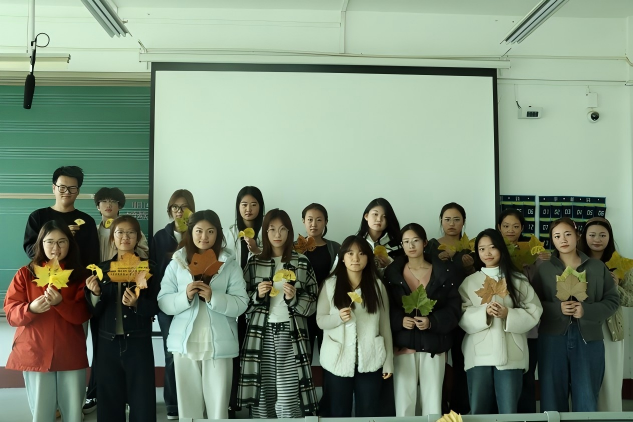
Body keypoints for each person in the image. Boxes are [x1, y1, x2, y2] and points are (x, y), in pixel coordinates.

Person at [158, 210, 249, 419]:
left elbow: (241, 303)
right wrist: (185, 296)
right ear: (190, 232)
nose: (204, 236)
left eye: (210, 231)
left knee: (218, 410)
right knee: (188, 409)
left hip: (219, 345)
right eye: (199, 231)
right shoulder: (177, 263)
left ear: (218, 233)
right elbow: (163, 301)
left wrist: (213, 297)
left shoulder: (229, 264)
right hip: (185, 345)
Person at [4, 221, 90, 422]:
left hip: (69, 351)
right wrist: (30, 309)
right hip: (35, 351)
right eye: (50, 242)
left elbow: (84, 314)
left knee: (74, 413)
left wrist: (61, 303)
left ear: (70, 244)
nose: (55, 248)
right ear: (40, 244)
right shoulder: (26, 273)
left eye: (62, 242)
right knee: (42, 414)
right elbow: (11, 313)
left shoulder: (81, 276)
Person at [238, 209, 319, 418]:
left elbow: (314, 302)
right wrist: (257, 295)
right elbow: (240, 302)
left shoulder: (301, 262)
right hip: (260, 334)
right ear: (264, 232)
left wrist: (294, 299)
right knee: (263, 396)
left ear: (289, 232)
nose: (277, 234)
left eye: (283, 229)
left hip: (291, 334)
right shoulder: (254, 262)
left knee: (287, 396)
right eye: (272, 229)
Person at [534, 217, 619, 412]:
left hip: (589, 339)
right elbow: (533, 304)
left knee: (587, 398)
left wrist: (586, 310)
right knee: (552, 397)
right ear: (552, 240)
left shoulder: (597, 267)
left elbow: (612, 301)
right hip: (552, 339)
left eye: (567, 234)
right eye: (557, 236)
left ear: (577, 236)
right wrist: (557, 309)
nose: (563, 240)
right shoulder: (544, 269)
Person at [459, 229, 542, 414]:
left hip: (512, 355)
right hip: (478, 355)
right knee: (478, 412)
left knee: (509, 411)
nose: (487, 253)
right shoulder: (470, 282)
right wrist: (484, 313)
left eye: (492, 247)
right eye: (482, 249)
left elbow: (535, 310)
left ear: (501, 249)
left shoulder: (517, 280)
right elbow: (461, 315)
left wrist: (508, 314)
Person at [84, 215, 159, 422]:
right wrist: (95, 293)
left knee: (142, 401)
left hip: (138, 342)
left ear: (138, 237)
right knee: (109, 401)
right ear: (112, 238)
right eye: (120, 232)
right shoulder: (101, 269)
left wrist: (137, 304)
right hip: (107, 343)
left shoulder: (149, 268)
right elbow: (92, 311)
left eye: (131, 232)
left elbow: (158, 305)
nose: (125, 237)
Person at [385, 223, 460, 416]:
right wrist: (399, 320)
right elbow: (385, 307)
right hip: (403, 345)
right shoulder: (392, 273)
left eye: (415, 240)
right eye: (406, 242)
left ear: (425, 243)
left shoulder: (443, 272)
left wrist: (432, 321)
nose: (411, 246)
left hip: (434, 345)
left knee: (433, 402)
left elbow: (454, 307)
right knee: (404, 403)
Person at [317, 235, 393, 417]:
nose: (355, 258)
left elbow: (385, 326)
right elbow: (320, 320)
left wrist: (388, 362)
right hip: (338, 360)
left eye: (361, 253)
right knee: (338, 412)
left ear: (368, 258)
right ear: (343, 257)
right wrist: (338, 318)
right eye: (350, 253)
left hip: (371, 359)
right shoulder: (330, 285)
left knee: (368, 412)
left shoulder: (377, 286)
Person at [496, 208, 550, 413]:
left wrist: (540, 262)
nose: (511, 230)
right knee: (503, 376)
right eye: (506, 226)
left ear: (522, 229)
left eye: (516, 226)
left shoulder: (533, 252)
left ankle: (527, 416)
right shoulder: (492, 252)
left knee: (527, 375)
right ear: (499, 227)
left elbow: (541, 289)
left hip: (529, 327)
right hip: (500, 325)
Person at [578, 216, 633, 412]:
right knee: (584, 379)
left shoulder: (622, 265)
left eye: (602, 235)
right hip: (582, 327)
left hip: (611, 330)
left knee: (610, 380)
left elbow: (631, 299)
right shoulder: (575, 261)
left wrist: (615, 287)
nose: (597, 239)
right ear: (584, 237)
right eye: (592, 235)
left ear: (610, 237)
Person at [150, 189, 195, 420]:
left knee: (192, 351)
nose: (179, 211)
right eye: (175, 207)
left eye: (184, 206)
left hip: (193, 301)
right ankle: (173, 404)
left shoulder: (197, 234)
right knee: (171, 353)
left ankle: (193, 402)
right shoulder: (160, 236)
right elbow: (152, 271)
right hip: (167, 303)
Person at [425, 202, 474, 414]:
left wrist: (470, 267)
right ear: (441, 221)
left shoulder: (472, 247)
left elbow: (480, 280)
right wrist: (438, 261)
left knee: (463, 360)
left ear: (464, 221)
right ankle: (438, 408)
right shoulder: (432, 246)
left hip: (466, 311)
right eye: (447, 219)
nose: (452, 224)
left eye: (456, 219)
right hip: (439, 312)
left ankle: (461, 409)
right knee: (438, 362)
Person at [223, 186, 264, 417]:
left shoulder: (268, 231)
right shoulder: (229, 233)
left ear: (260, 207)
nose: (248, 209)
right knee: (234, 353)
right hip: (234, 300)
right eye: (244, 204)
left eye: (254, 204)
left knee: (255, 354)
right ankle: (231, 403)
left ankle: (255, 405)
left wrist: (257, 250)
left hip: (260, 301)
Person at [298, 203, 340, 356]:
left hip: (327, 307)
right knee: (303, 354)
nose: (313, 224)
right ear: (303, 221)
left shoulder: (335, 248)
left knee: (329, 351)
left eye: (319, 220)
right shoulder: (295, 248)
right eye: (310, 219)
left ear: (326, 222)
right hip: (302, 308)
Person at [94, 187, 149, 261]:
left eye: (113, 201)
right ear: (98, 206)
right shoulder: (94, 231)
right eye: (104, 201)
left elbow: (145, 254)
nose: (109, 205)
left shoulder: (131, 229)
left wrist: (128, 247)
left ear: (119, 206)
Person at [357, 198, 403, 269]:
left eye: (384, 216)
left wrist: (390, 263)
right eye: (375, 214)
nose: (379, 219)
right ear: (366, 216)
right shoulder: (356, 243)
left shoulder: (397, 245)